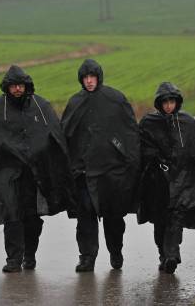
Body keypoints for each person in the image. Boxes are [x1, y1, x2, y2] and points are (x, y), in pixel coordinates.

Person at [0, 65, 76, 273]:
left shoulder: (40, 106)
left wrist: (46, 157)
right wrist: (10, 151)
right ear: (7, 87)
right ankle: (13, 259)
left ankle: (29, 254)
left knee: (32, 217)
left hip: (35, 172)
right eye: (13, 86)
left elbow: (54, 134)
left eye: (20, 85)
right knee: (12, 215)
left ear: (26, 86)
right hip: (9, 172)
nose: (17, 89)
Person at [61, 59, 140, 272]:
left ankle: (116, 251)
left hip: (111, 172)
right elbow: (65, 136)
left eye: (92, 77)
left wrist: (129, 161)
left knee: (113, 217)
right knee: (85, 217)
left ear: (98, 77)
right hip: (84, 173)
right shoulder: (75, 103)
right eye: (85, 78)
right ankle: (87, 257)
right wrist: (69, 166)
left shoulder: (115, 100)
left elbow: (130, 132)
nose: (88, 81)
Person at [138, 82, 195, 274]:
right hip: (158, 182)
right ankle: (163, 253)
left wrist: (194, 179)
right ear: (159, 103)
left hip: (182, 180)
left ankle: (172, 254)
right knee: (160, 222)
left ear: (177, 102)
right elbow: (142, 151)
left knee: (176, 218)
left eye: (172, 101)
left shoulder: (188, 123)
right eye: (165, 102)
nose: (169, 105)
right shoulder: (149, 123)